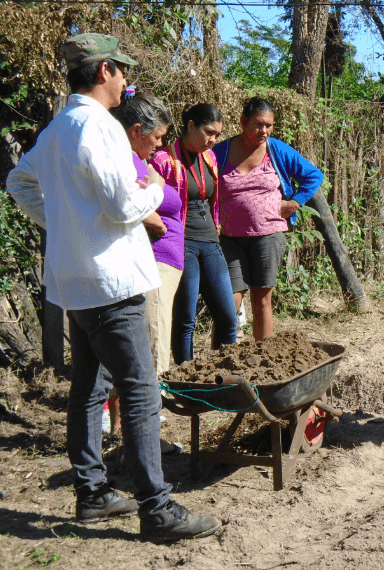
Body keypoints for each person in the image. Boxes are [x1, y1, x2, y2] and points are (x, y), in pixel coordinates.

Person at [6, 33, 220, 542]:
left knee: (87, 389)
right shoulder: (98, 125)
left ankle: (94, 493)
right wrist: (152, 188)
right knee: (141, 392)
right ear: (104, 72)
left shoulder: (58, 128)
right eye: (121, 70)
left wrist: (62, 223)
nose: (126, 79)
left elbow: (18, 183)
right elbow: (125, 206)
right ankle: (157, 508)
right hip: (111, 281)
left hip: (75, 282)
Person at [106, 89, 183, 452]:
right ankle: (139, 441)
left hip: (155, 263)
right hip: (144, 263)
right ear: (137, 130)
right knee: (149, 348)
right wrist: (151, 213)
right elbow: (125, 206)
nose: (160, 144)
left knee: (146, 349)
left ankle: (133, 436)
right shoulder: (126, 160)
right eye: (157, 137)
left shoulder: (139, 159)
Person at [212, 97, 323, 341]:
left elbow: (313, 175)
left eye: (269, 125)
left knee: (262, 298)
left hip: (268, 235)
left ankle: (261, 360)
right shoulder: (222, 152)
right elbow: (204, 183)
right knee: (228, 301)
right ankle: (218, 362)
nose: (264, 131)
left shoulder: (277, 150)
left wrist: (295, 202)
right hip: (230, 238)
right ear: (243, 121)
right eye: (259, 124)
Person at [150, 104, 237, 363]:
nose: (213, 140)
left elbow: (214, 201)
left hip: (210, 242)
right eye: (209, 132)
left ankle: (224, 376)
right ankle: (184, 380)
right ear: (190, 126)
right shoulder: (162, 161)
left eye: (218, 135)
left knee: (228, 316)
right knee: (185, 318)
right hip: (180, 243)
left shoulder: (209, 159)